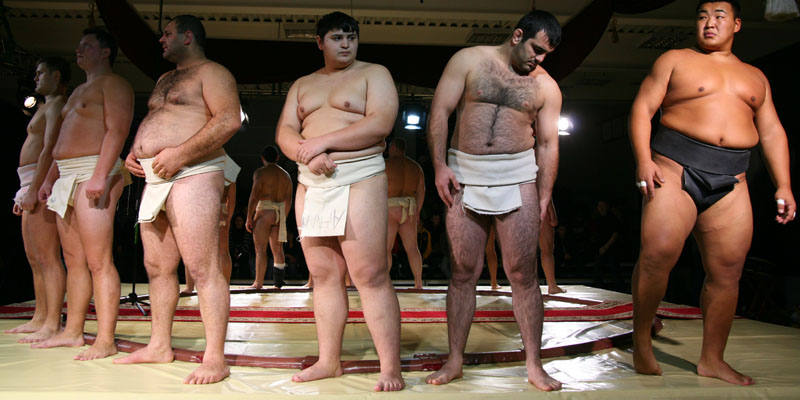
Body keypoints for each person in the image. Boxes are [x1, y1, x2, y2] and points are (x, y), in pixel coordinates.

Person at [629, 0, 795, 386]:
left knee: (727, 272)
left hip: (732, 179)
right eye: (702, 16)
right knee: (657, 255)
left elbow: (772, 132)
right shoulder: (675, 59)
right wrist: (643, 160)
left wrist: (784, 184)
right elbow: (642, 109)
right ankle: (641, 341)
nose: (709, 23)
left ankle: (713, 359)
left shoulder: (755, 77)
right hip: (674, 168)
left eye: (719, 16)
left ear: (736, 25)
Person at [424, 10, 563, 391]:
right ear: (517, 35)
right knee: (463, 272)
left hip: (518, 174)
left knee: (523, 274)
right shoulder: (469, 60)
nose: (539, 59)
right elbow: (440, 112)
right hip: (465, 171)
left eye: (546, 54)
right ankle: (455, 360)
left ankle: (534, 364)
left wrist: (545, 192)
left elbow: (548, 143)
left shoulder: (547, 87)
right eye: (536, 49)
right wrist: (439, 166)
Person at [275, 11, 404, 392]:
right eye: (336, 38)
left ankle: (390, 367)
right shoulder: (302, 84)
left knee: (369, 273)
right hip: (310, 179)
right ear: (320, 43)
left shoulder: (374, 73)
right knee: (324, 274)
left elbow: (381, 122)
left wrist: (322, 143)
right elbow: (285, 130)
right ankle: (329, 361)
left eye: (351, 37)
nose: (346, 44)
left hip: (359, 174)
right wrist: (306, 154)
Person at [113, 15, 241, 385]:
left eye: (167, 33)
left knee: (202, 268)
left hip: (193, 170)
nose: (161, 39)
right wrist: (134, 152)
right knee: (156, 266)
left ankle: (215, 357)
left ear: (188, 37)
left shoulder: (213, 72)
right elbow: (158, 118)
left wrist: (181, 153)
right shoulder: (163, 79)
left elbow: (229, 120)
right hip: (154, 174)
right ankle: (159, 344)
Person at [32, 29, 133, 361]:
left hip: (94, 169)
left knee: (98, 260)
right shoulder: (76, 91)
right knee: (73, 259)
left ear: (105, 52)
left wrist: (100, 175)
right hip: (66, 173)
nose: (78, 50)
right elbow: (61, 141)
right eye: (78, 45)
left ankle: (105, 339)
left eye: (87, 45)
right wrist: (49, 178)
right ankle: (73, 331)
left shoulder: (114, 84)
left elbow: (117, 130)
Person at [6, 58, 69, 343]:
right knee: (34, 257)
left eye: (41, 73)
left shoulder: (57, 105)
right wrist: (25, 189)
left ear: (56, 76)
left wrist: (35, 188)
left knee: (47, 256)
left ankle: (53, 321)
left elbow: (50, 148)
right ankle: (40, 317)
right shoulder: (45, 106)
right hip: (29, 180)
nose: (36, 78)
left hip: (41, 181)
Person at [183, 152, 240, 293]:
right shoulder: (226, 168)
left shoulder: (212, 165)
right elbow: (231, 200)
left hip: (208, 208)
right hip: (209, 209)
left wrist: (226, 217)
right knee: (218, 251)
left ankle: (191, 287)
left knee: (201, 250)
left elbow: (228, 198)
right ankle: (219, 285)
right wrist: (227, 217)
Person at [245, 145, 292, 289]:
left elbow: (254, 196)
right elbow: (289, 199)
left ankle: (258, 283)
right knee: (278, 249)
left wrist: (249, 217)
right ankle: (278, 283)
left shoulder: (261, 172)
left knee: (260, 249)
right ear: (277, 157)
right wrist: (283, 217)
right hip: (280, 212)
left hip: (264, 212)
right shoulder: (286, 175)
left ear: (262, 158)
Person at [385, 138, 425, 288]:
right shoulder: (416, 167)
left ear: (393, 148)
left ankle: (386, 283)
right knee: (413, 248)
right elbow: (422, 191)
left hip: (390, 207)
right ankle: (418, 283)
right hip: (410, 209)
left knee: (386, 249)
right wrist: (417, 212)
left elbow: (377, 189)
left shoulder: (385, 165)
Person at [539, 201, 565, 294]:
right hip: (539, 207)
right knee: (547, 250)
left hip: (520, 208)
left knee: (524, 251)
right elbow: (546, 194)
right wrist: (552, 213)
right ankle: (552, 286)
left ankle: (524, 287)